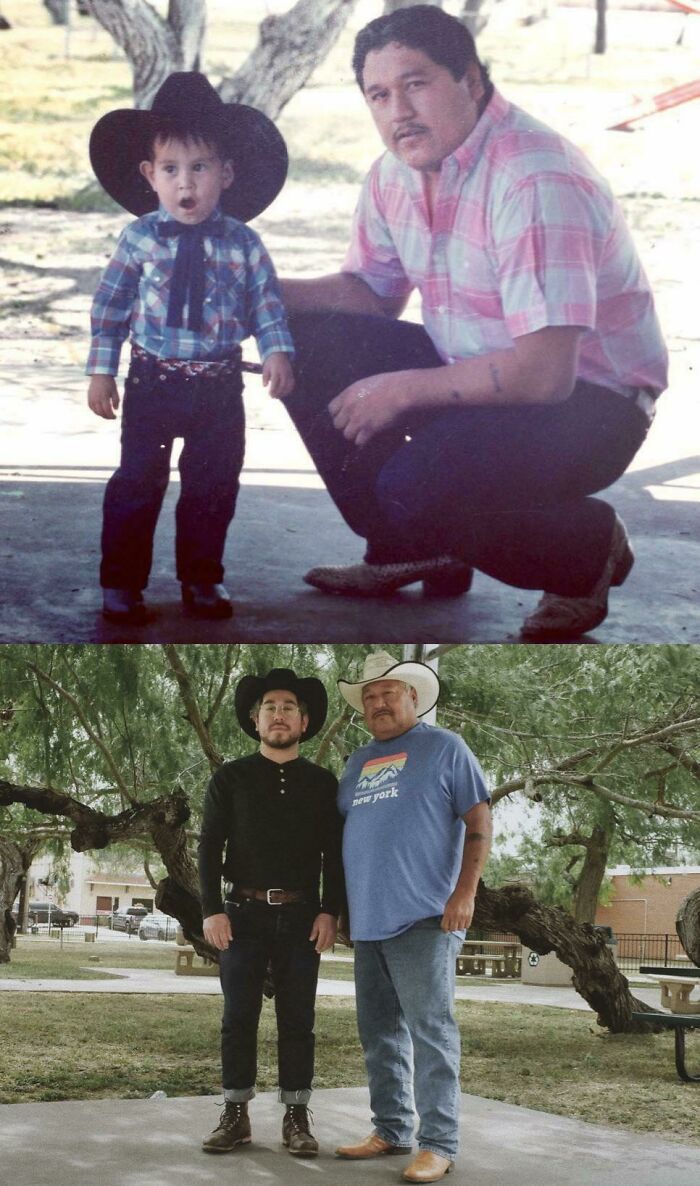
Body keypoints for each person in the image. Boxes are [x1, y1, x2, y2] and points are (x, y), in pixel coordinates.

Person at [280, 5, 668, 640]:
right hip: (479, 374)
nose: (398, 111)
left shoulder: (534, 176)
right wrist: (257, 291)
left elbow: (544, 376)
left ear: (472, 80)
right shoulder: (392, 175)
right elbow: (371, 296)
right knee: (304, 337)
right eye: (379, 94)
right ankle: (408, 548)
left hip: (590, 407)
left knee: (415, 488)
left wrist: (401, 390)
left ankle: (583, 549)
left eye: (417, 84)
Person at [86, 72, 294, 624]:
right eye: (172, 170)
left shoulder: (245, 245)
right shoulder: (139, 240)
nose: (187, 184)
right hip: (152, 384)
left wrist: (277, 351)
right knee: (137, 485)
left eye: (199, 168)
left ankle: (202, 579)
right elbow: (110, 309)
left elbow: (266, 305)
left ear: (225, 174)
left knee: (212, 486)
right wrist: (101, 372)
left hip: (218, 391)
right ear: (150, 176)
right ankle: (121, 585)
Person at [334, 651, 491, 1184]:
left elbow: (479, 819)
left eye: (389, 693)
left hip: (426, 918)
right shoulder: (357, 762)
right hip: (368, 925)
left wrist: (464, 893)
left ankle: (439, 1143)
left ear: (413, 698)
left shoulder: (445, 747)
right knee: (378, 1035)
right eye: (370, 697)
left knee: (431, 1033)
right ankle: (392, 1129)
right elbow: (342, 841)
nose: (378, 703)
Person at [198, 667, 344, 1158]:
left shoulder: (323, 783)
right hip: (242, 914)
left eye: (288, 708)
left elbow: (335, 855)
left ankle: (296, 1116)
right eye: (269, 708)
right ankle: (235, 1114)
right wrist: (211, 910)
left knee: (297, 1019)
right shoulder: (230, 778)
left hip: (303, 918)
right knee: (238, 1017)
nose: (278, 715)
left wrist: (330, 911)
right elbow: (207, 848)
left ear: (304, 722)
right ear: (254, 720)